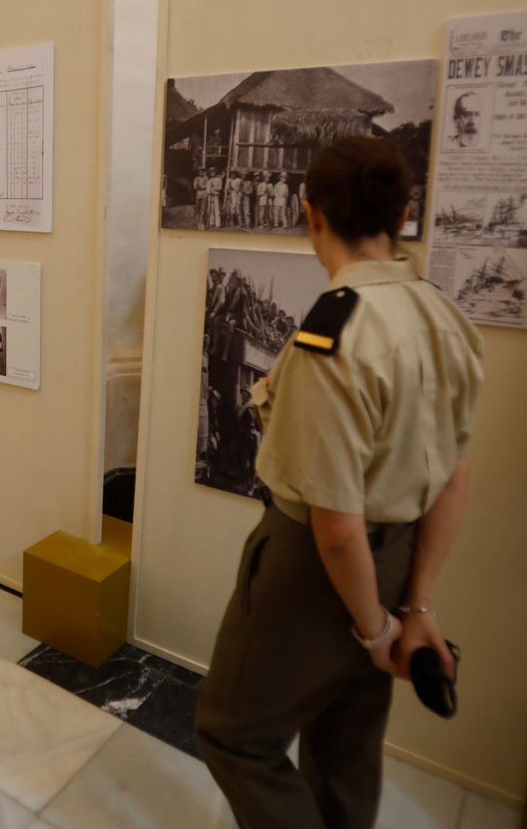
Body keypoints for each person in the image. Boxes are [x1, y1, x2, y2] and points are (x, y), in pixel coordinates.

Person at [195, 135, 484, 829]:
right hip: (395, 563)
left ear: (309, 213)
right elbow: (453, 475)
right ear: (402, 214)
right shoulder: (447, 317)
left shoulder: (334, 333)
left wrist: (371, 629)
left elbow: (335, 524)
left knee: (235, 735)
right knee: (346, 747)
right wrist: (412, 608)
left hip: (317, 580)